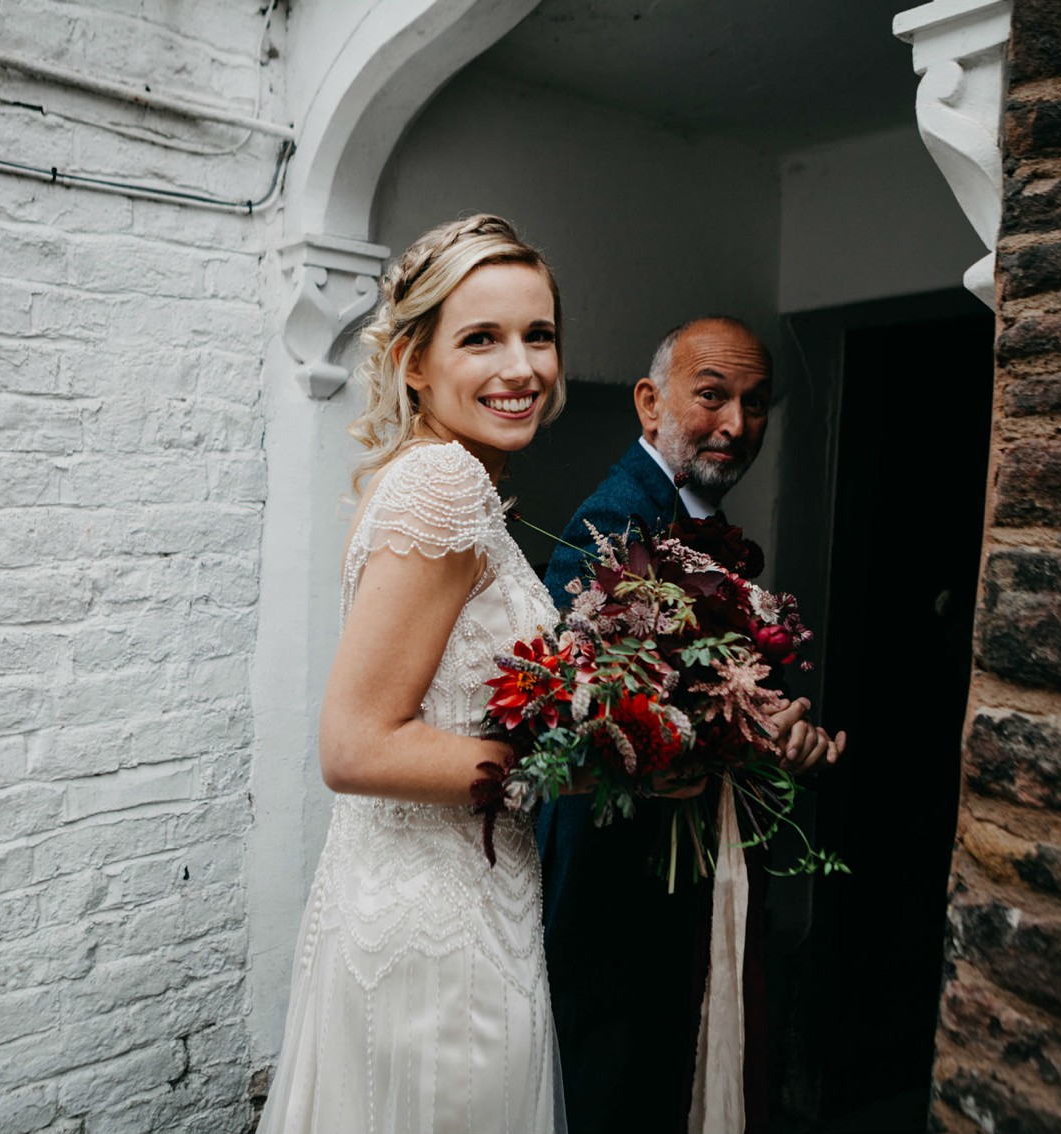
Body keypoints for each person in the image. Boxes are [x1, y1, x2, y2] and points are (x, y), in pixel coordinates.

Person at [259, 215, 572, 1134]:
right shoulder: (445, 485)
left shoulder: (425, 474)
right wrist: (578, 763)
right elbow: (356, 746)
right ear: (413, 362)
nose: (521, 368)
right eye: (482, 337)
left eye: (539, 334)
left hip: (426, 900)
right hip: (441, 942)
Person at [538, 316, 845, 1134]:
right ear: (650, 403)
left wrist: (782, 739)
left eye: (755, 403)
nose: (737, 425)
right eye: (712, 396)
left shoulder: (693, 523)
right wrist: (710, 736)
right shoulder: (614, 524)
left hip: (683, 886)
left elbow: (717, 696)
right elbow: (567, 715)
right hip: (618, 898)